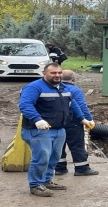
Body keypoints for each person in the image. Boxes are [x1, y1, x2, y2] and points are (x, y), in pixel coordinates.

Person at [18, 63, 92, 197]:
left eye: (59, 73)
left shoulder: (63, 88)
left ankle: (46, 181)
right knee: (41, 158)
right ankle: (35, 185)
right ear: (44, 74)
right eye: (53, 73)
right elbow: (25, 105)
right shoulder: (34, 87)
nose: (57, 75)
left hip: (59, 129)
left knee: (54, 158)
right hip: (40, 131)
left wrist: (82, 118)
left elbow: (72, 104)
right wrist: (37, 120)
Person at [55, 70, 98, 176]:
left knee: (59, 145)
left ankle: (60, 168)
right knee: (77, 145)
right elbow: (81, 105)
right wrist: (89, 119)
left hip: (57, 121)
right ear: (73, 79)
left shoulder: (54, 88)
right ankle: (81, 168)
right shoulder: (75, 90)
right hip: (73, 121)